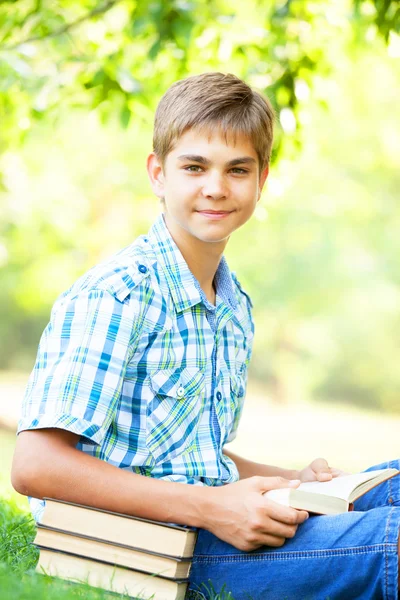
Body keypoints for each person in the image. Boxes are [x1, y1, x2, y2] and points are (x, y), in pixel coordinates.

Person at [11, 72, 400, 600]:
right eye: (194, 166)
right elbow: (35, 465)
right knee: (391, 538)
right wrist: (214, 507)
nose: (216, 187)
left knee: (392, 480)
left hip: (210, 519)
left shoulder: (232, 303)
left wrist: (295, 480)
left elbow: (192, 451)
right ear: (158, 173)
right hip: (150, 546)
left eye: (237, 170)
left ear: (261, 180)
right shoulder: (118, 294)